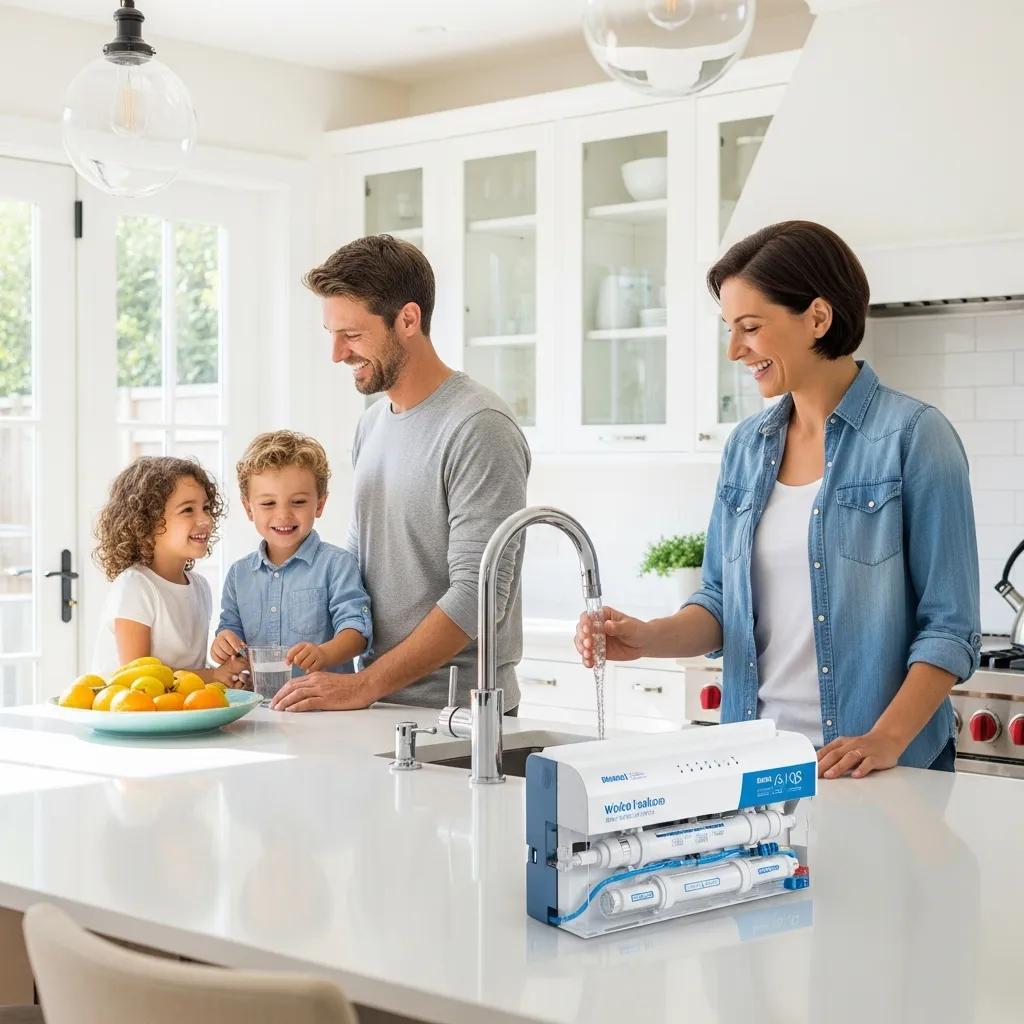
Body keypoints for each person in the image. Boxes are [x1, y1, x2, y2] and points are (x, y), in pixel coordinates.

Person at [576, 220, 981, 777]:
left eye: (750, 327)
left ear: (817, 317)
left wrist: (884, 739)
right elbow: (721, 604)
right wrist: (645, 639)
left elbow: (950, 628)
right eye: (729, 329)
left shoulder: (914, 437)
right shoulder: (747, 446)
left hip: (880, 770)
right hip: (757, 763)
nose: (734, 350)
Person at [271, 235, 531, 713]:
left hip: (457, 716)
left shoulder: (478, 426)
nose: (336, 354)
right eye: (330, 333)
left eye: (351, 334)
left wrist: (361, 685)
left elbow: (478, 593)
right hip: (379, 705)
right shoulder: (372, 423)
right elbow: (353, 567)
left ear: (408, 319)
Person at [211, 431, 372, 689]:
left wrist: (325, 654)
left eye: (298, 502)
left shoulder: (337, 565)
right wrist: (224, 642)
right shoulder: (238, 574)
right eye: (268, 503)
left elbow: (357, 632)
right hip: (259, 711)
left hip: (323, 709)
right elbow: (230, 630)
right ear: (248, 508)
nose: (283, 514)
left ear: (319, 504)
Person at [91, 456, 242, 682]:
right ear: (146, 522)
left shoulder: (199, 587)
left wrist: (228, 675)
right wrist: (213, 676)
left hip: (174, 711)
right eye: (188, 510)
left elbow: (187, 668)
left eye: (206, 508)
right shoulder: (135, 585)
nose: (205, 520)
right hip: (128, 712)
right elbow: (137, 676)